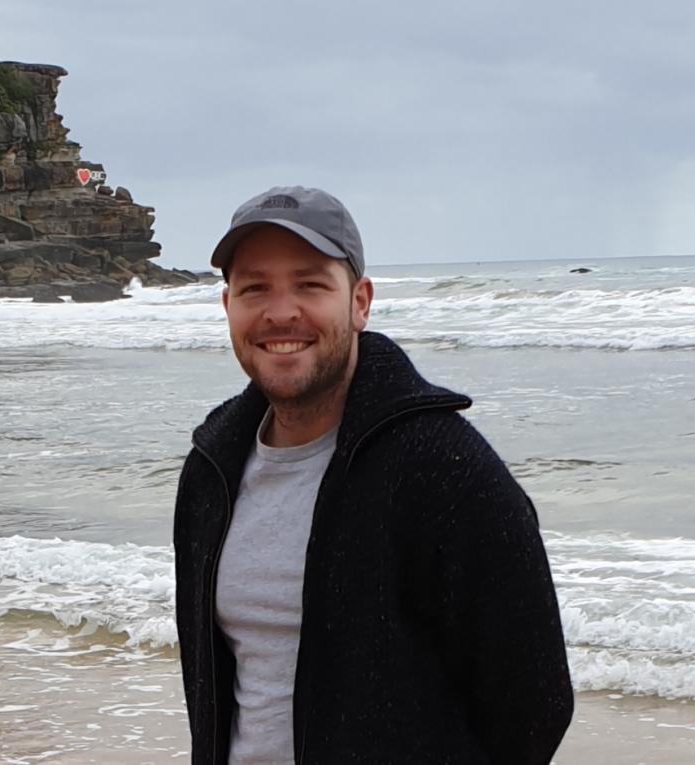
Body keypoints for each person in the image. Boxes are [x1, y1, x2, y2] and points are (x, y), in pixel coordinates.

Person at [173, 185, 573, 764]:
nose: (280, 311)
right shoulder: (212, 467)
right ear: (228, 305)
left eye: (310, 284)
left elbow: (534, 703)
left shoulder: (445, 469)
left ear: (359, 301)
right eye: (255, 287)